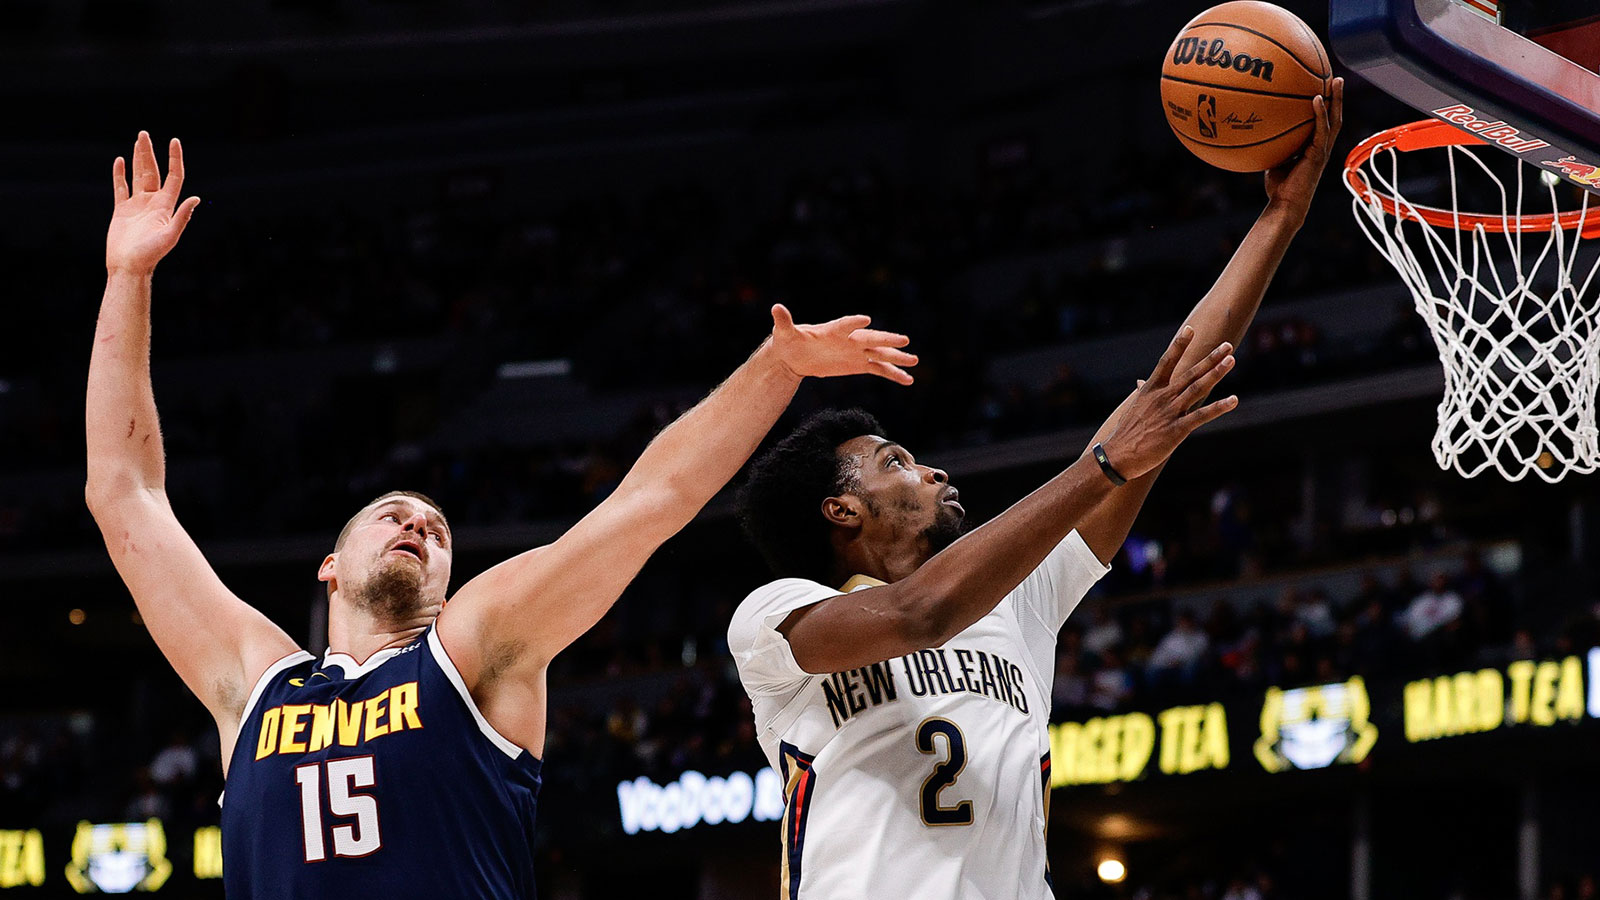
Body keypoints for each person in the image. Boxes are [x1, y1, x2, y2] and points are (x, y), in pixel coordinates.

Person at [85, 131, 919, 899]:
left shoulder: (475, 647)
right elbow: (124, 493)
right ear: (329, 566)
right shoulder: (253, 681)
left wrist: (778, 367)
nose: (418, 525)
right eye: (392, 516)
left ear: (448, 584)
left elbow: (647, 503)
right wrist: (129, 279)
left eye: (437, 529)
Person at [729, 83, 1343, 899]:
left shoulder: (1017, 601)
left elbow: (1173, 380)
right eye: (897, 461)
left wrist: (1280, 220)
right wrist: (1099, 467)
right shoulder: (777, 620)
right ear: (840, 510)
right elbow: (920, 615)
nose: (935, 471)